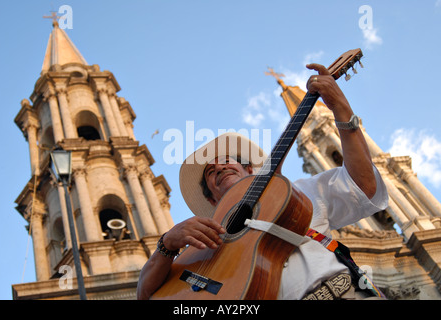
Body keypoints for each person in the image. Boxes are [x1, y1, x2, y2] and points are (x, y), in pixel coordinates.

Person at [136, 63, 389, 300]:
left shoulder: (298, 194)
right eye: (211, 172)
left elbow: (364, 187)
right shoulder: (206, 243)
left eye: (226, 160)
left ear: (250, 170)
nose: (220, 167)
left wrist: (341, 109)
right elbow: (146, 294)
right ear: (211, 198)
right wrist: (167, 244)